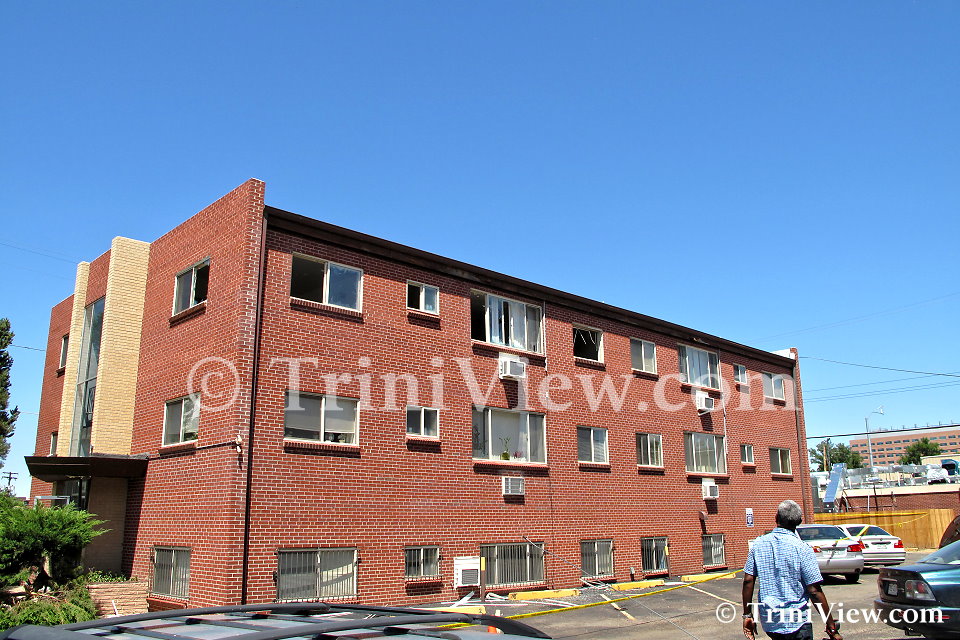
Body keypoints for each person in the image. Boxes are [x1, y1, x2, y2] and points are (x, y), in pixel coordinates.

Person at [742, 500, 842, 640]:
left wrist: (747, 615)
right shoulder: (803, 548)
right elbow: (814, 591)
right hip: (797, 622)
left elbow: (748, 580)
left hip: (770, 621)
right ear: (799, 521)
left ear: (776, 518)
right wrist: (830, 625)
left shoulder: (758, 544)